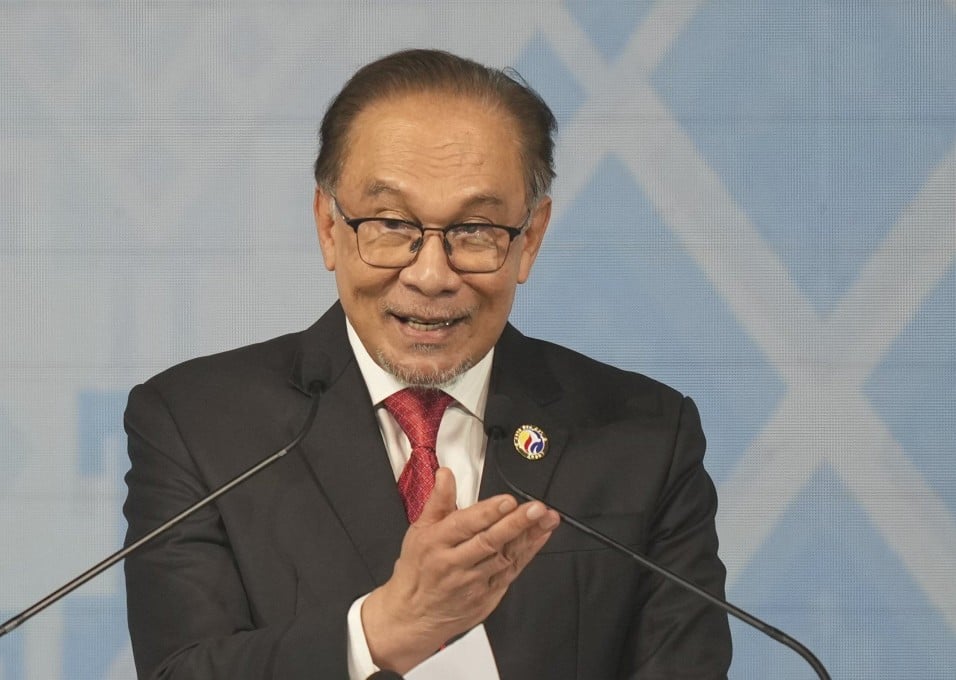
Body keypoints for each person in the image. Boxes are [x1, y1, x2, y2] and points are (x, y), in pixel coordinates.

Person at [123, 48, 732, 679]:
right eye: (390, 223)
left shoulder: (644, 436)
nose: (431, 275)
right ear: (329, 227)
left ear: (532, 237)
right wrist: (384, 631)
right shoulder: (198, 425)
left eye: (475, 230)